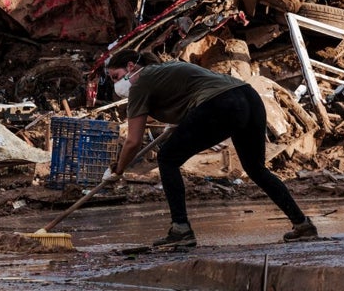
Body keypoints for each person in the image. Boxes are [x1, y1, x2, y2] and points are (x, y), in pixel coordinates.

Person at [103, 50, 317, 247]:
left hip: (221, 104)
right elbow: (189, 95)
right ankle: (302, 224)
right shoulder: (162, 71)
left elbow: (133, 141)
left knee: (167, 158)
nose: (116, 85)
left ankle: (180, 229)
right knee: (255, 168)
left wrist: (118, 171)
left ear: (131, 66)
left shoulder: (141, 83)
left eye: (115, 77)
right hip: (248, 97)